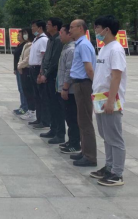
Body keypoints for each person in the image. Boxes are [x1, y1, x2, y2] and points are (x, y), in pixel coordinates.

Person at [90, 15, 127, 187]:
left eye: (97, 27)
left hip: (110, 99)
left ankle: (117, 174)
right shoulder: (104, 48)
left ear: (107, 29)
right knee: (106, 136)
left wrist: (111, 100)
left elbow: (116, 76)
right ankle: (109, 167)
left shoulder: (116, 49)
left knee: (115, 137)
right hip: (99, 98)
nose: (95, 31)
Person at [69, 19, 97, 167]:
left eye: (72, 27)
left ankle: (90, 156)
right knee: (81, 120)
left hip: (84, 84)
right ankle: (85, 151)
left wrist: (95, 85)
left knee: (85, 121)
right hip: (79, 84)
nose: (70, 30)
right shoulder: (80, 44)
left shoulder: (84, 45)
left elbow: (89, 69)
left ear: (80, 28)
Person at [38, 18, 64, 143]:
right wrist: (41, 72)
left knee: (56, 106)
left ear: (55, 27)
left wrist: (46, 74)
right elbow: (45, 59)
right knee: (51, 105)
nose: (47, 26)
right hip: (47, 75)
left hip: (53, 77)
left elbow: (55, 61)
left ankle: (60, 133)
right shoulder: (50, 39)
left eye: (49, 25)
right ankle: (53, 130)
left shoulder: (59, 40)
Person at [57, 24, 80, 154]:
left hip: (70, 91)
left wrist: (65, 88)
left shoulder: (71, 50)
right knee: (69, 117)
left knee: (72, 118)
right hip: (65, 88)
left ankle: (75, 144)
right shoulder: (66, 48)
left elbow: (69, 71)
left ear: (69, 34)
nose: (60, 35)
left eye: (62, 32)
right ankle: (71, 140)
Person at [27, 20, 49, 129]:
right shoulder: (36, 39)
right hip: (33, 68)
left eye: (34, 27)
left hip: (38, 69)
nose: (32, 29)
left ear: (40, 28)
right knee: (36, 95)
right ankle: (39, 118)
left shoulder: (44, 40)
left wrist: (41, 72)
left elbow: (44, 58)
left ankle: (44, 120)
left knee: (42, 96)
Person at [17, 29, 36, 121]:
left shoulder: (32, 44)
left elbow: (28, 58)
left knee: (29, 91)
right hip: (22, 69)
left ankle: (31, 110)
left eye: (26, 34)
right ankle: (28, 109)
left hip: (28, 69)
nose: (24, 35)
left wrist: (20, 65)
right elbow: (21, 57)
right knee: (24, 90)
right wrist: (19, 65)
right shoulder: (26, 44)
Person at [12, 29, 28, 115]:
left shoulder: (25, 45)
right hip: (18, 69)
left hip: (22, 69)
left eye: (19, 35)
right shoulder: (19, 45)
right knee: (20, 89)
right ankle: (22, 105)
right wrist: (15, 69)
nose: (18, 36)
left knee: (23, 89)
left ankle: (25, 107)